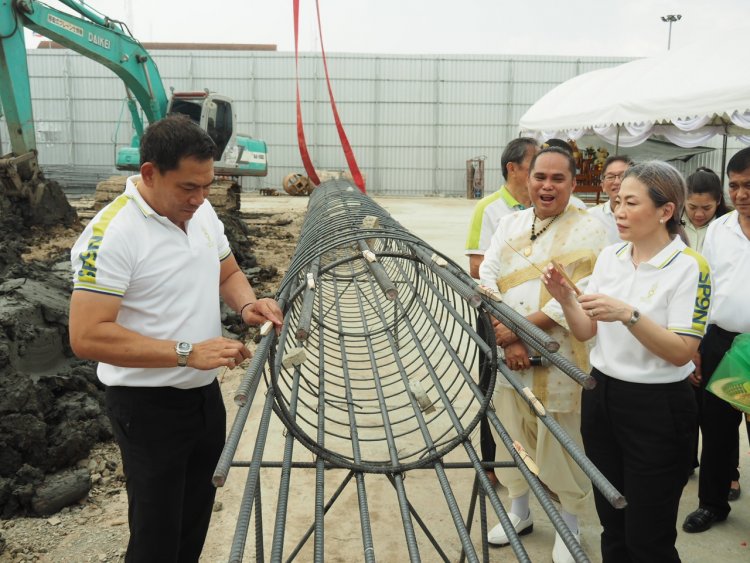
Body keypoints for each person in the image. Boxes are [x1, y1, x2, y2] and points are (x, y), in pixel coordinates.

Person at [68, 114, 284, 562]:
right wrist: (186, 352)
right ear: (150, 173)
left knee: (193, 522)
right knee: (156, 537)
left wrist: (247, 305)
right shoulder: (112, 235)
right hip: (147, 408)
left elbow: (226, 268)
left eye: (207, 185)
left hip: (203, 398)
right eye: (189, 187)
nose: (201, 197)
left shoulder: (200, 212)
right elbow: (87, 336)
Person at [543, 160, 708, 562]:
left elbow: (682, 351)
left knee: (648, 535)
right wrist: (566, 298)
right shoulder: (611, 257)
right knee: (612, 523)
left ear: (665, 211)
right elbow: (586, 330)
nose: (618, 210)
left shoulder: (689, 267)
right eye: (616, 201)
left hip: (657, 408)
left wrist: (629, 315)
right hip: (603, 397)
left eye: (630, 203)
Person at [480, 147, 608, 562]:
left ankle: (568, 528)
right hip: (507, 350)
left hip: (559, 356)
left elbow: (577, 294)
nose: (547, 186)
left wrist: (518, 331)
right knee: (511, 435)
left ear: (573, 183)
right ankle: (519, 512)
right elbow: (487, 276)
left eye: (557, 179)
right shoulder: (511, 222)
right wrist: (509, 336)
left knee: (561, 441)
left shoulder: (592, 229)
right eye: (540, 177)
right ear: (527, 179)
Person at [682, 148, 750, 534]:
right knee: (717, 427)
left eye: (749, 185)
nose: (741, 194)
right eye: (735, 185)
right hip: (721, 342)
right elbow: (702, 290)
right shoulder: (720, 231)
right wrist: (695, 347)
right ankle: (712, 503)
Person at [465, 137, 538, 279]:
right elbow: (476, 266)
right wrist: (527, 275)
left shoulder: (543, 206)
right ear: (512, 168)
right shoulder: (487, 208)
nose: (541, 171)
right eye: (535, 166)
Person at [682, 167, 729, 252]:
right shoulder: (672, 223)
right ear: (683, 199)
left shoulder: (730, 227)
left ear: (718, 200)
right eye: (692, 207)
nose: (699, 214)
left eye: (706, 208)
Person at [588, 155, 633, 244]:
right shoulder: (591, 217)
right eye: (610, 177)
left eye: (623, 176)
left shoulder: (645, 216)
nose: (617, 182)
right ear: (603, 186)